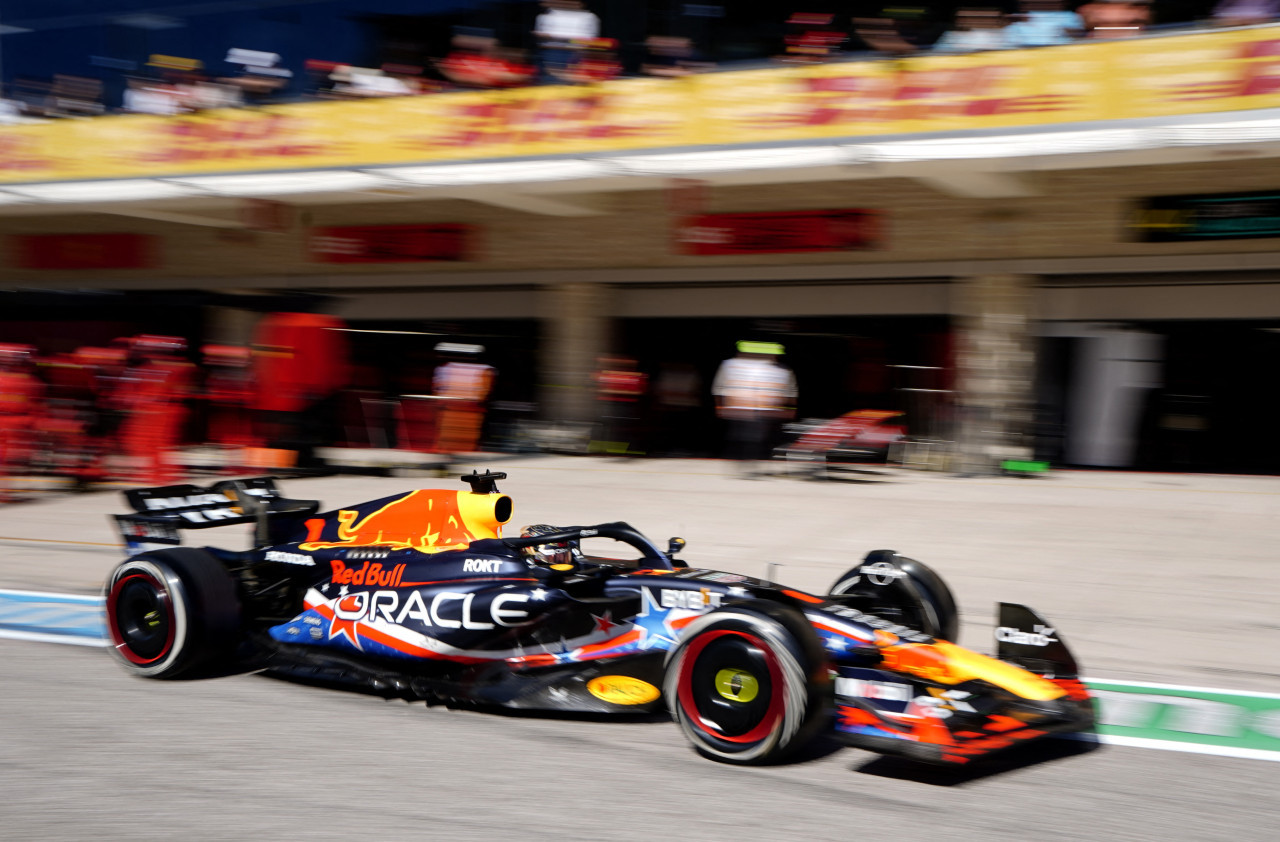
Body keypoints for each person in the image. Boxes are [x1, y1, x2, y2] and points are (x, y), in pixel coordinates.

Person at [712, 341, 797, 478]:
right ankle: (743, 464)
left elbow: (718, 388)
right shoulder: (781, 370)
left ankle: (743, 464)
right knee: (746, 438)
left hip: (750, 409)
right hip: (753, 409)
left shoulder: (731, 365)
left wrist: (720, 405)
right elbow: (790, 393)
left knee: (747, 438)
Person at [534, 0, 600, 83]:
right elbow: (542, 35)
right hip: (553, 51)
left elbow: (590, 38)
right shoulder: (547, 15)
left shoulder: (589, 16)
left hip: (577, 52)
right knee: (552, 78)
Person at [1002, 0, 1083, 48]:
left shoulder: (1068, 16)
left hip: (1060, 52)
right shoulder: (1019, 21)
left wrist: (1061, 30)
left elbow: (1079, 34)